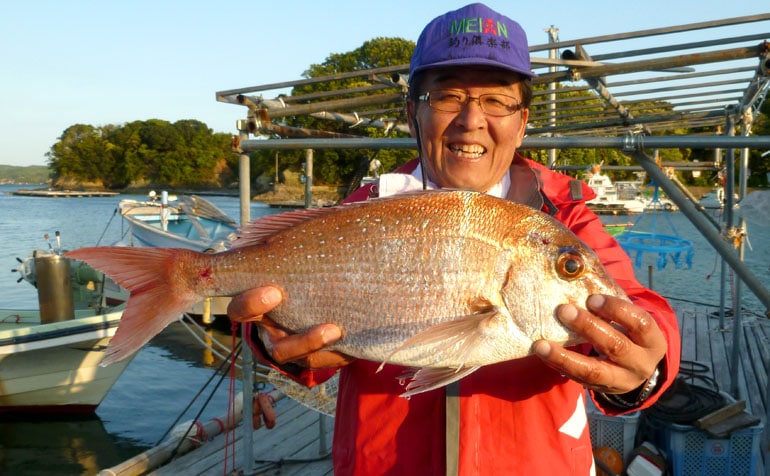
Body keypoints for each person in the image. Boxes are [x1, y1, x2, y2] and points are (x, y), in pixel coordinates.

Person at [228, 3, 681, 475]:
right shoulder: (361, 212)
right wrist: (269, 337)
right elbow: (300, 333)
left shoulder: (562, 217)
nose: (471, 120)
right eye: (447, 97)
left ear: (522, 122)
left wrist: (640, 370)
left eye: (497, 101)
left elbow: (638, 309)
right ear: (412, 115)